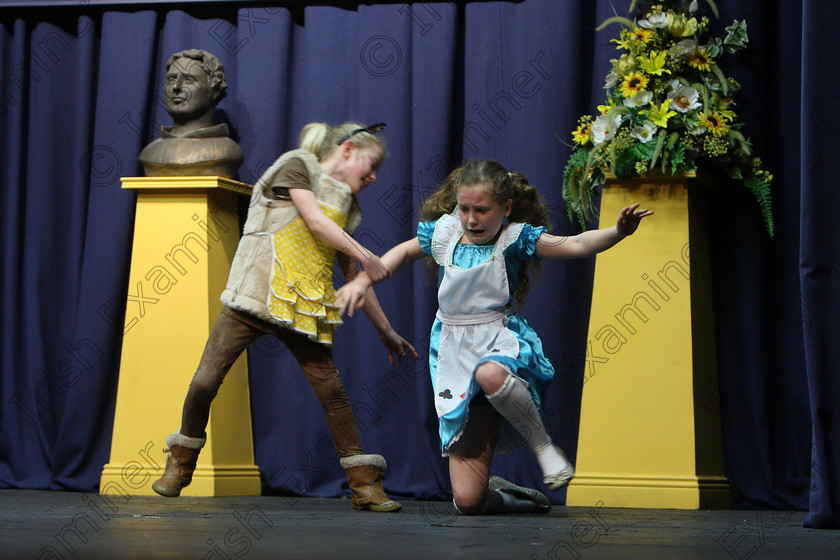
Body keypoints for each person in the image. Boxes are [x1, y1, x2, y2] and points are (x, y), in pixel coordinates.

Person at [336, 159, 652, 514]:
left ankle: (545, 450)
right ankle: (520, 499)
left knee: (489, 373)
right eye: (465, 208)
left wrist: (619, 232)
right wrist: (364, 280)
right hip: (454, 355)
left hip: (499, 342)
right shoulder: (445, 233)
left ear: (506, 208)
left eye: (483, 210)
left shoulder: (515, 239)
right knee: (468, 502)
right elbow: (402, 253)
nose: (472, 219)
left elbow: (576, 244)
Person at [152, 121, 417, 513]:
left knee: (333, 395)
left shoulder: (343, 200)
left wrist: (386, 331)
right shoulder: (297, 165)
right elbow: (314, 221)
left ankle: (363, 486)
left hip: (301, 309)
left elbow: (351, 271)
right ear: (347, 150)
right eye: (371, 164)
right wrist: (367, 254)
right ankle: (181, 459)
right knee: (206, 380)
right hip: (254, 298)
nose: (375, 176)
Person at [138, 49, 243, 178]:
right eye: (171, 79)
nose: (176, 87)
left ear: (215, 90)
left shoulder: (225, 152)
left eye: (189, 80)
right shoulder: (150, 153)